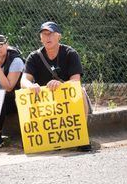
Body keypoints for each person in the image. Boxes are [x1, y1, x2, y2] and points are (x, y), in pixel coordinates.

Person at [20, 21, 94, 151]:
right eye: (44, 34)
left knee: (80, 91)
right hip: (45, 101)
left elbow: (75, 81)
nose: (47, 37)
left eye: (51, 34)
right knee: (22, 93)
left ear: (59, 36)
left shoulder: (70, 53)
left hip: (66, 99)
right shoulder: (34, 56)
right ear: (40, 38)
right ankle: (36, 138)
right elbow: (24, 80)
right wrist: (31, 86)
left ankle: (82, 135)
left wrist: (61, 85)